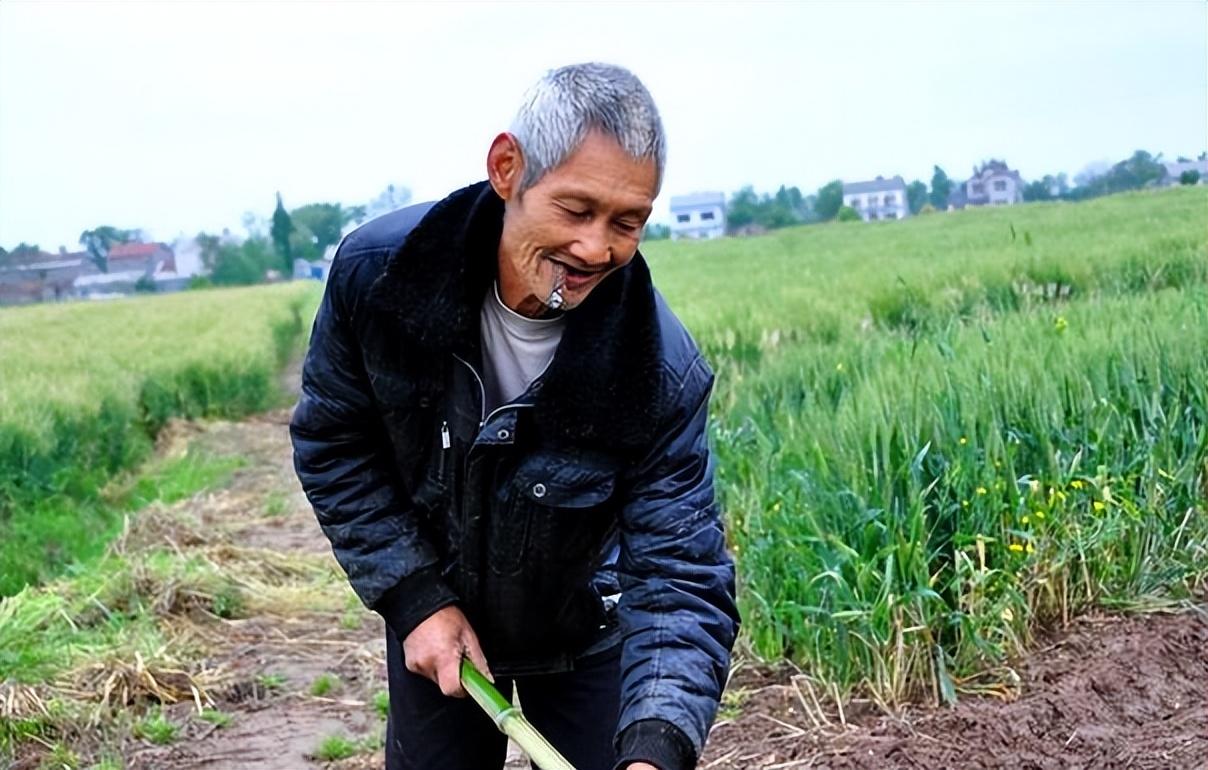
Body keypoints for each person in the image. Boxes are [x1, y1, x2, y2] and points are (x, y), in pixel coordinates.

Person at [290, 62, 738, 770]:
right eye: (576, 210)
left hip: (590, 632)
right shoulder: (378, 280)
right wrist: (414, 598)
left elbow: (680, 575)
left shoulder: (659, 372)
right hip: (441, 617)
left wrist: (655, 745)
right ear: (508, 168)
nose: (597, 250)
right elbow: (335, 443)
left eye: (628, 223)